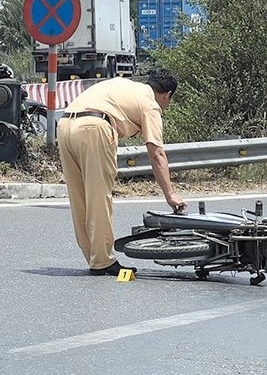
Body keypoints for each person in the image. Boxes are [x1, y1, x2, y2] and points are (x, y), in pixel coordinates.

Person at [57, 69, 186, 276]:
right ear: (167, 95)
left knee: (78, 197)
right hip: (95, 127)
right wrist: (170, 194)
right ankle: (102, 261)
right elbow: (157, 154)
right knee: (99, 197)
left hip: (64, 125)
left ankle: (95, 257)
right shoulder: (151, 104)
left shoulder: (124, 84)